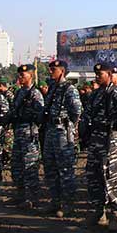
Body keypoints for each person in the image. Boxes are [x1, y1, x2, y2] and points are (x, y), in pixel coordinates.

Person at [80, 62, 117, 230]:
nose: (97, 76)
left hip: (110, 140)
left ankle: (115, 213)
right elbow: (86, 114)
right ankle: (98, 210)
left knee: (112, 175)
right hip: (95, 140)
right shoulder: (94, 95)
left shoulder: (116, 94)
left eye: (100, 74)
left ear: (109, 74)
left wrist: (110, 124)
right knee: (93, 174)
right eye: (96, 74)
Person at [41, 59, 82, 217]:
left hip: (63, 132)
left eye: (54, 69)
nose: (51, 71)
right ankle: (55, 201)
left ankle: (68, 204)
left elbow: (77, 112)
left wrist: (69, 127)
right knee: (50, 167)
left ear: (62, 71)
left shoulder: (69, 89)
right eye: (50, 69)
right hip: (51, 130)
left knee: (65, 169)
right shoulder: (52, 88)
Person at [8, 64, 44, 207]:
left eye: (23, 75)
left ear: (31, 76)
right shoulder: (19, 92)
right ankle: (20, 194)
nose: (20, 78)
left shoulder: (35, 94)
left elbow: (40, 115)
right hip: (18, 132)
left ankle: (32, 198)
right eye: (19, 75)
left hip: (29, 133)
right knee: (17, 166)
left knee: (30, 166)